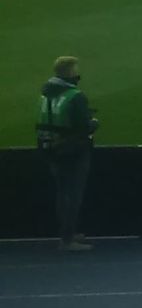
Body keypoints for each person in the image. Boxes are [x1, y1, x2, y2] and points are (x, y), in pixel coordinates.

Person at [36, 56, 98, 252]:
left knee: (63, 193)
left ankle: (68, 232)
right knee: (72, 195)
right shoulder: (75, 96)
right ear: (70, 72)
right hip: (73, 151)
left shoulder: (46, 94)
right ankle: (67, 239)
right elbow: (83, 127)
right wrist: (93, 124)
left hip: (51, 149)